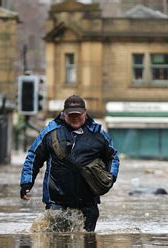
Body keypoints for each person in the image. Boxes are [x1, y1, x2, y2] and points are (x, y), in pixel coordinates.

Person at [19, 95, 120, 232]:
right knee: (56, 240)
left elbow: (113, 157)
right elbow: (33, 157)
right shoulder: (50, 132)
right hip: (56, 201)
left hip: (88, 202)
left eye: (78, 115)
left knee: (87, 239)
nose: (75, 118)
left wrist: (111, 176)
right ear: (63, 114)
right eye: (71, 115)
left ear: (85, 113)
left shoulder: (99, 134)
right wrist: (27, 182)